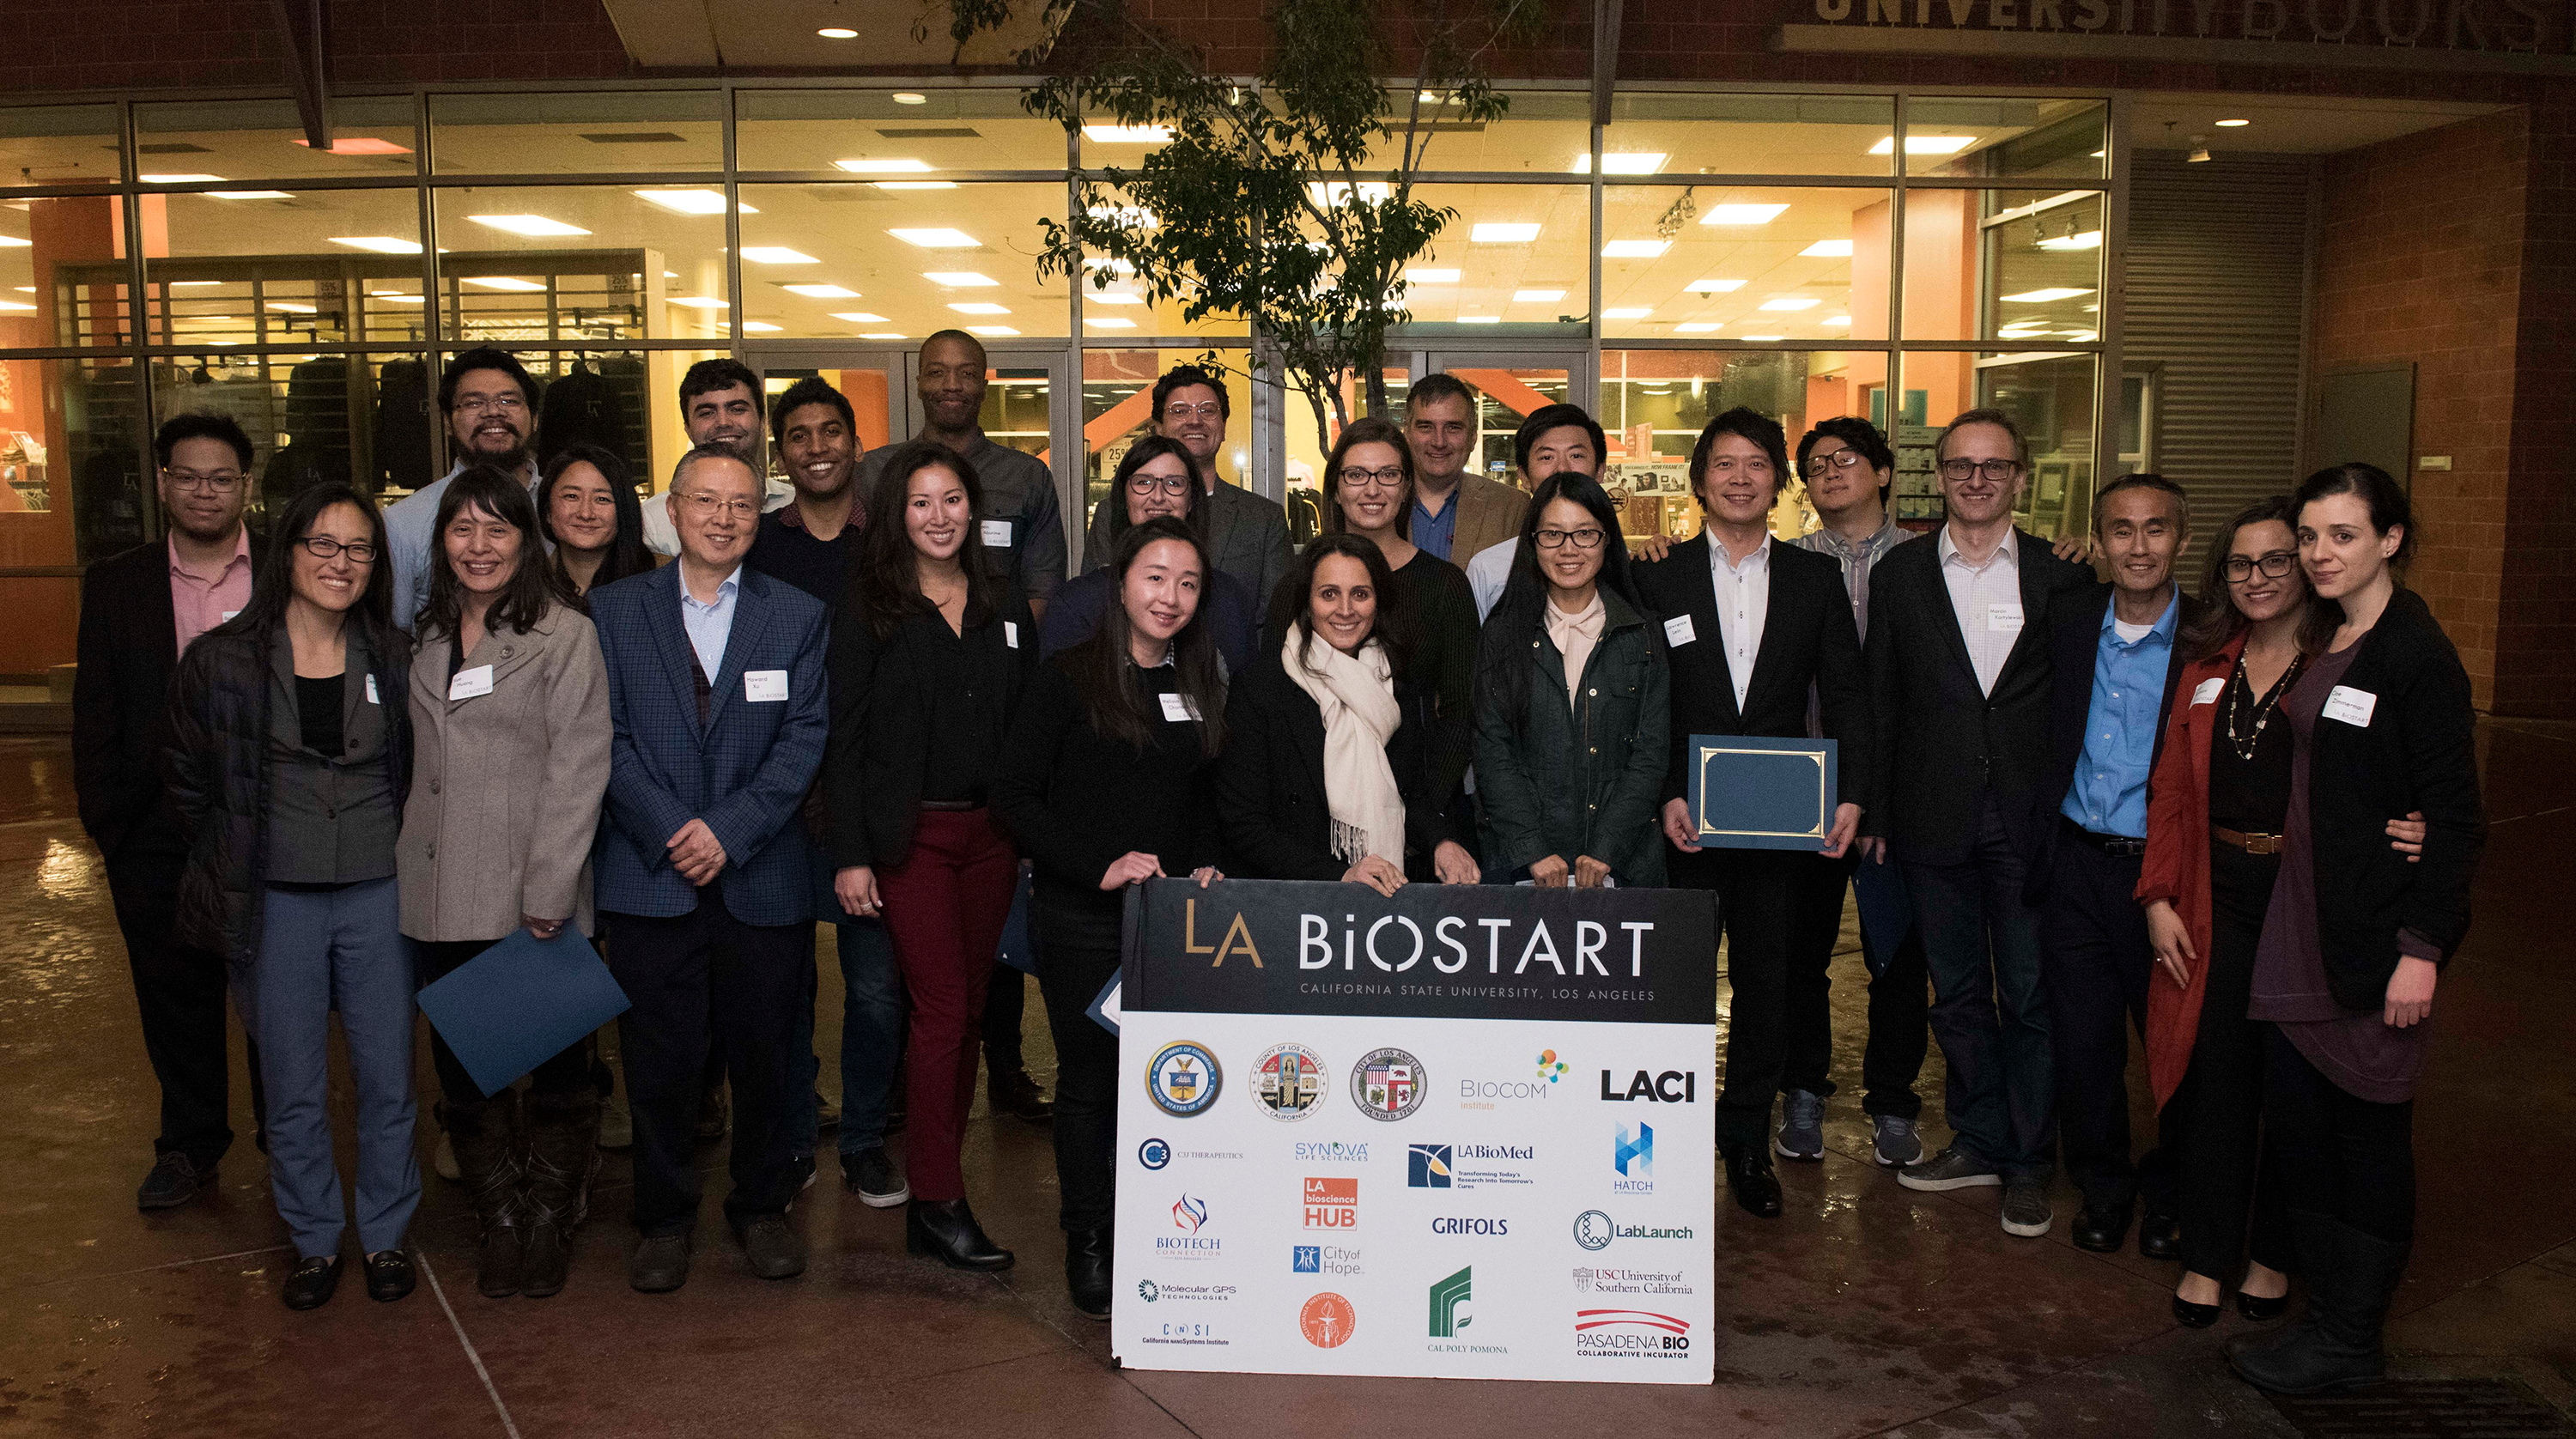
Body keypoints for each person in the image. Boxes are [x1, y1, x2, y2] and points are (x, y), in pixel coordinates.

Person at [2227, 464, 2485, 1396]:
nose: (2320, 553)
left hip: (2375, 941)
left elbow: (2454, 816)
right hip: (2305, 926)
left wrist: (2421, 950)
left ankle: (2350, 1336)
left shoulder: (2416, 654)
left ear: (2391, 538)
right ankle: (2326, 1317)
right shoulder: (2334, 636)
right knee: (2302, 1128)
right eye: (2311, 535)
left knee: (2369, 1135)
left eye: (2343, 534)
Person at [165, 483, 419, 1311]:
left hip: (380, 891)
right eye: (323, 545)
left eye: (358, 550)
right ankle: (313, 1240)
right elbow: (191, 787)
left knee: (388, 1076)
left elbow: (415, 771)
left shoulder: (395, 652)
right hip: (276, 900)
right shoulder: (222, 662)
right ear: (289, 552)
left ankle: (384, 1233)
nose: (341, 564)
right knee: (293, 1081)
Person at [590, 444, 830, 1294]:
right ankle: (661, 1215)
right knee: (659, 1061)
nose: (724, 517)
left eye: (740, 504)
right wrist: (671, 828)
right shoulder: (614, 610)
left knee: (766, 1053)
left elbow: (805, 736)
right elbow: (603, 736)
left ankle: (760, 1204)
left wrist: (727, 830)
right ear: (672, 509)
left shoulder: (796, 614)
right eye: (706, 500)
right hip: (649, 877)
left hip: (760, 874)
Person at [1862, 406, 2093, 1239]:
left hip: (2030, 820)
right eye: (1961, 465)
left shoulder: (2063, 576)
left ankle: (2030, 1160)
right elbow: (1882, 701)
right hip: (1932, 817)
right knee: (1955, 994)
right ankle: (1980, 1137)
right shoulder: (1903, 575)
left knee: (2028, 994)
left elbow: (2075, 703)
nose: (1977, 479)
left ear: (2020, 478)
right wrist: (1880, 811)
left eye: (1994, 466)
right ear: (1941, 474)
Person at [1633, 407, 1868, 1220]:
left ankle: (1745, 1140)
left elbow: (1845, 695)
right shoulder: (1655, 577)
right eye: (1724, 465)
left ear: (1779, 482)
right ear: (1699, 482)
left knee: (1769, 983)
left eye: (1757, 465)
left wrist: (1850, 793)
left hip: (1779, 822)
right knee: (1676, 986)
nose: (1740, 478)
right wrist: (1664, 787)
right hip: (1680, 822)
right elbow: (1642, 700)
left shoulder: (1813, 579)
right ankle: (1660, 1138)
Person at [993, 516, 1229, 1319]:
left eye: (1188, 583)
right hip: (1082, 916)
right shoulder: (1065, 677)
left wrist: (1203, 858)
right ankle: (1089, 1241)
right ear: (1120, 582)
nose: (1170, 597)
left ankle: (1159, 1236)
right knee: (1092, 1086)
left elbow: (1200, 794)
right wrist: (1097, 866)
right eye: (1156, 577)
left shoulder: (1198, 681)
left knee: (1170, 1086)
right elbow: (1016, 796)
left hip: (1173, 923)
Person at [398, 465, 611, 1300]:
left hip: (532, 892)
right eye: (462, 529)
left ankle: (549, 1215)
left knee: (557, 1071)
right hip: (439, 889)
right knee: (465, 1074)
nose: (478, 546)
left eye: (498, 529)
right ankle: (501, 1216)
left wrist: (551, 889)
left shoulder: (564, 634)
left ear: (526, 540)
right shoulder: (423, 637)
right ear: (441, 541)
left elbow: (580, 765)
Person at [828, 439, 1038, 1272]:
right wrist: (851, 853)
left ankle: (933, 1187)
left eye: (953, 500)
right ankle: (940, 1198)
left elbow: (1024, 725)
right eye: (922, 502)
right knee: (943, 1007)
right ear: (896, 515)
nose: (940, 516)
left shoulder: (1003, 601)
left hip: (992, 838)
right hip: (910, 838)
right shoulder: (871, 605)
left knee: (973, 1007)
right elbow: (843, 739)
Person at [854, 331, 1062, 1126]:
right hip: (914, 794)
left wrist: (984, 649)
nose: (950, 385)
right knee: (920, 990)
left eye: (964, 373)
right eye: (935, 373)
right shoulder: (878, 473)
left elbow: (1036, 595)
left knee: (981, 979)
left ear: (985, 381)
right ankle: (915, 1123)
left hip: (989, 755)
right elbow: (871, 601)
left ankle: (998, 1069)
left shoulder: (1025, 477)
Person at [2138, 499, 2327, 1327]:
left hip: (2305, 906)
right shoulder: (2206, 667)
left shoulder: (2338, 667)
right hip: (2216, 899)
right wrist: (2157, 896)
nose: (2255, 579)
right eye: (2240, 565)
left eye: (2274, 561)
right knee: (2217, 1084)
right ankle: (2208, 1259)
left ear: (2307, 566)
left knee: (2295, 1087)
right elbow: (2171, 793)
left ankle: (2275, 1254)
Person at [74, 413, 267, 1211]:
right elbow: (98, 711)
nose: (204, 491)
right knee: (173, 993)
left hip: (263, 823)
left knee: (271, 995)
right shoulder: (118, 582)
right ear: (161, 484)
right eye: (187, 476)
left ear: (247, 487)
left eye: (221, 478)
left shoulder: (286, 575)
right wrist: (111, 827)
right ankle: (189, 1146)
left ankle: (285, 1143)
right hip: (153, 831)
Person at [744, 377, 910, 1208]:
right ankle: (790, 1131)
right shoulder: (757, 545)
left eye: (831, 431)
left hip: (866, 800)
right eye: (799, 434)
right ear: (780, 452)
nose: (817, 446)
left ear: (855, 441)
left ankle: (867, 1138)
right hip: (773, 797)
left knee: (876, 985)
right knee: (782, 986)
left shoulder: (889, 541)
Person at [2026, 473, 2197, 1258]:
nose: (2138, 546)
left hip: (2165, 876)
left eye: (2155, 529)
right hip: (2076, 867)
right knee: (2085, 1045)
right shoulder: (2067, 616)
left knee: (2173, 1043)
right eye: (2121, 530)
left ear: (2181, 541)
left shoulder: (2210, 637)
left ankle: (2174, 1196)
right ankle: (2103, 1189)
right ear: (2096, 542)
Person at [1778, 416, 1930, 1171]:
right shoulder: (1785, 563)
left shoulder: (1928, 559)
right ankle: (1803, 1088)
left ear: (1882, 470)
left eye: (1846, 459)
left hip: (1901, 790)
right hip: (1805, 783)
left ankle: (1895, 1102)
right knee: (1801, 951)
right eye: (1816, 464)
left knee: (1896, 954)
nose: (1831, 472)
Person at [1215, 534, 1479, 891]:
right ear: (1307, 604)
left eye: (1360, 594)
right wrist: (1338, 875)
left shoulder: (1399, 682)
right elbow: (1243, 822)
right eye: (1329, 594)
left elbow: (1410, 795)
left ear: (1378, 601)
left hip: (1388, 889)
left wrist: (1442, 842)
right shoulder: (1261, 688)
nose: (1345, 609)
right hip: (1297, 900)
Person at [1471, 471, 1668, 888]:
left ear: (1607, 539)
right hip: (1522, 863)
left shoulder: (1641, 632)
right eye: (1552, 535)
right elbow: (1493, 749)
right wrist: (1534, 850)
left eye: (1585, 534)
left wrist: (1605, 850)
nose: (1568, 550)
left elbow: (1650, 755)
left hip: (1623, 861)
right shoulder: (1502, 633)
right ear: (1533, 542)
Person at [1318, 416, 1479, 835]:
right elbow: (1278, 708)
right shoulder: (1301, 584)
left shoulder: (1445, 586)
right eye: (1356, 475)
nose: (1372, 489)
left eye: (1388, 474)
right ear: (1336, 487)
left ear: (1406, 486)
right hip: (1321, 812)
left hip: (1424, 811)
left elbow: (1462, 709)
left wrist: (1421, 812)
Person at [1084, 365, 1293, 613]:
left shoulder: (1264, 519)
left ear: (1224, 427)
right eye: (1180, 411)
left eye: (1207, 410)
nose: (1195, 420)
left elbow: (1277, 618)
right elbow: (1093, 604)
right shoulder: (1115, 512)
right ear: (1158, 427)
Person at [1042, 436, 1258, 674]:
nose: (1157, 496)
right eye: (1143, 482)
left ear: (1192, 501)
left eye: (1174, 484)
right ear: (1124, 497)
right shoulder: (1078, 603)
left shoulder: (1229, 600)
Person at [1463, 405, 1671, 619]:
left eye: (1576, 455)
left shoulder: (1628, 569)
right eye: (1546, 457)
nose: (1562, 468)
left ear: (1601, 470)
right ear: (1523, 476)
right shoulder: (1488, 570)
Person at [387, 348, 543, 630]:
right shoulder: (404, 523)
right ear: (447, 422)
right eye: (473, 403)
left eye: (508, 400)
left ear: (534, 418)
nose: (493, 412)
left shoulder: (567, 510)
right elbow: (395, 636)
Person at [639, 359, 796, 556]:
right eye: (707, 412)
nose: (723, 422)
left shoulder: (793, 504)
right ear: (687, 428)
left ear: (762, 420)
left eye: (737, 409)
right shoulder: (652, 520)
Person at [1402, 373, 1527, 563]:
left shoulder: (1511, 508)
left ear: (1473, 438)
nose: (1439, 441)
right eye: (1426, 427)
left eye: (1453, 428)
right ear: (1407, 434)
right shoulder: (1379, 502)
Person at [538, 442, 657, 596]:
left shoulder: (661, 583)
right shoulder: (525, 588)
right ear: (547, 510)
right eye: (572, 496)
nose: (586, 514)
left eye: (602, 499)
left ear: (624, 509)